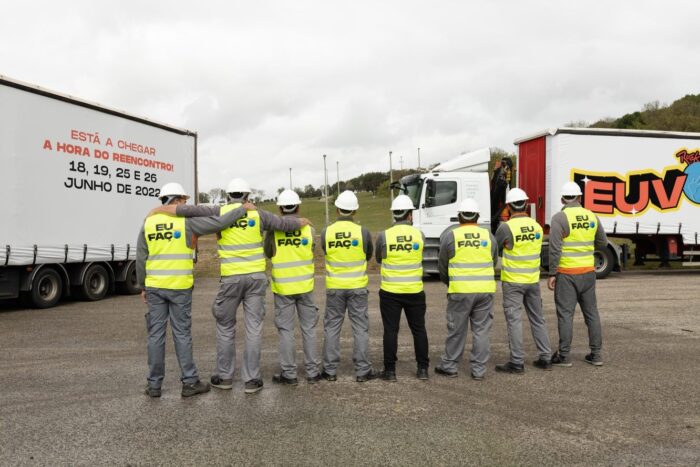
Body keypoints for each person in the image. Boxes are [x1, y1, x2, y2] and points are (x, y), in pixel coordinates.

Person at [153, 178, 310, 394]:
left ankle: (225, 377)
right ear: (247, 196)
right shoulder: (258, 213)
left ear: (228, 195)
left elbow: (188, 210)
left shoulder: (219, 210)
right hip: (255, 279)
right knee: (253, 328)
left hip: (231, 280)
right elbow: (283, 224)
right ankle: (252, 380)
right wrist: (302, 222)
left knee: (225, 327)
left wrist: (158, 210)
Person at [137, 182, 254, 398]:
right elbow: (220, 222)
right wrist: (242, 209)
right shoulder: (187, 222)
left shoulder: (149, 222)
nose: (186, 204)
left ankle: (154, 385)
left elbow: (141, 257)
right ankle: (190, 383)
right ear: (177, 200)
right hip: (179, 286)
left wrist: (143, 286)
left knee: (155, 336)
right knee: (182, 334)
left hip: (154, 286)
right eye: (184, 200)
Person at [434, 198, 498, 381]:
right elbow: (493, 262)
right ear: (477, 216)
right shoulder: (488, 236)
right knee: (481, 331)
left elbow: (442, 266)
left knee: (456, 329)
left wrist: (450, 282)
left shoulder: (450, 236)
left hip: (460, 290)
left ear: (458, 216)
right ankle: (479, 370)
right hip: (485, 291)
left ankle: (450, 366)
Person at [263, 189, 321, 385]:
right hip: (305, 286)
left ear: (280, 208)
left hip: (283, 288)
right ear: (298, 207)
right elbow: (311, 250)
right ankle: (312, 372)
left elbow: (268, 253)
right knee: (309, 329)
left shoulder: (273, 230)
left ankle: (289, 374)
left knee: (286, 331)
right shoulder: (309, 229)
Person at [547, 181, 608, 367]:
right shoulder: (591, 216)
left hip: (567, 274)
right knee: (591, 313)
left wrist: (552, 273)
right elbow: (603, 242)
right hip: (588, 273)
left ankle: (564, 356)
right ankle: (596, 354)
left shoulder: (560, 218)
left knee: (566, 315)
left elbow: (555, 249)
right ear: (580, 198)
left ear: (562, 199)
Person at [320, 190, 378, 382]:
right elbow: (368, 254)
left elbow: (325, 250)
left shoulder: (326, 232)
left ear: (337, 209)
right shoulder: (363, 232)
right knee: (360, 328)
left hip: (335, 287)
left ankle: (329, 371)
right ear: (355, 211)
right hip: (357, 287)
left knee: (332, 328)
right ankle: (363, 371)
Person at [494, 188, 552, 374]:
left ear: (509, 207)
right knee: (538, 318)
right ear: (526, 204)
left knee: (514, 321)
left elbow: (495, 248)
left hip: (513, 282)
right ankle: (545, 357)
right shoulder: (536, 226)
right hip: (532, 280)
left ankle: (517, 362)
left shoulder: (506, 227)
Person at [374, 194, 429, 381]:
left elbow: (379, 258)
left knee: (391, 331)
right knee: (419, 330)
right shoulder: (419, 235)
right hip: (414, 291)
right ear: (409, 215)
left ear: (394, 215)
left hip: (390, 291)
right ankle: (423, 369)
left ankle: (390, 372)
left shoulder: (384, 236)